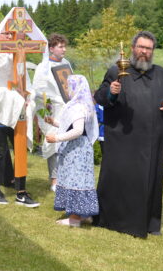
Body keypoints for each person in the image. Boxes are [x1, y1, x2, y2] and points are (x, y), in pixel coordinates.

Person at [94, 30, 163, 238]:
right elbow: (100, 97)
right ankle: (113, 220)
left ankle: (149, 223)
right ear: (133, 48)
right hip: (123, 139)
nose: (144, 51)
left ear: (153, 51)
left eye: (148, 48)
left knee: (150, 181)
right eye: (141, 47)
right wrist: (112, 92)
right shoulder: (116, 70)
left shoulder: (161, 74)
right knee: (121, 179)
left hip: (153, 139)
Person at [0, 18, 41, 208]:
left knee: (20, 150)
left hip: (19, 109)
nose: (9, 38)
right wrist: (12, 97)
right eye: (5, 34)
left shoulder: (18, 55)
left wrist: (28, 96)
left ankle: (21, 192)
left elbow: (26, 82)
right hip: (0, 110)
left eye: (11, 35)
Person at [45, 75, 99, 227]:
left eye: (70, 86)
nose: (68, 89)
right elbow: (69, 125)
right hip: (81, 147)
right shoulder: (84, 104)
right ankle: (84, 215)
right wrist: (54, 122)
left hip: (77, 150)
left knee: (76, 180)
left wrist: (56, 138)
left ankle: (75, 218)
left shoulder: (78, 107)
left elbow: (77, 130)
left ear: (76, 88)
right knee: (81, 180)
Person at [33, 33, 72, 192]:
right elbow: (38, 91)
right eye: (60, 46)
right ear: (51, 49)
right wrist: (47, 108)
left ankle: (66, 177)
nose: (64, 49)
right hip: (52, 109)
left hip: (66, 108)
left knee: (67, 141)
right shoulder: (43, 67)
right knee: (53, 141)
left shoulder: (66, 63)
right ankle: (54, 180)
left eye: (64, 46)